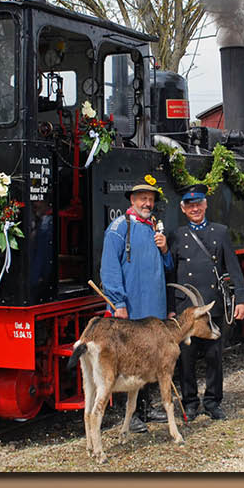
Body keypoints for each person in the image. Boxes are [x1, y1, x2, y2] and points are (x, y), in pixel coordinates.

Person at [100, 176, 173, 433]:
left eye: (151, 199)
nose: (147, 203)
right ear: (132, 200)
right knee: (128, 362)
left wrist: (165, 251)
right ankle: (128, 415)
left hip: (154, 309)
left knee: (150, 359)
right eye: (142, 198)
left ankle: (146, 408)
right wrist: (118, 303)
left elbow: (168, 268)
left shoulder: (154, 228)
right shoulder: (119, 228)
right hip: (130, 308)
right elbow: (109, 269)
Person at [169, 184, 244, 421]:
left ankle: (213, 401)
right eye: (190, 205)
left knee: (214, 356)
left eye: (198, 204)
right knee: (186, 358)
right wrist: (171, 307)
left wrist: (242, 300)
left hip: (212, 305)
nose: (195, 209)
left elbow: (234, 268)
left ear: (205, 205)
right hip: (186, 310)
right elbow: (170, 275)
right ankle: (190, 402)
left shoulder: (220, 232)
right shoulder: (176, 236)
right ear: (183, 209)